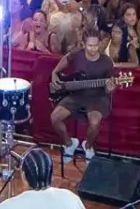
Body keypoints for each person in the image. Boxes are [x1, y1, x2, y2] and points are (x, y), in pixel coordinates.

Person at [49, 35, 118, 163]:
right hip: (77, 94)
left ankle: (88, 146)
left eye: (96, 45)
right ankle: (69, 144)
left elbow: (109, 88)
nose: (93, 49)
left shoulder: (107, 62)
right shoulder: (77, 54)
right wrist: (54, 72)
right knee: (54, 118)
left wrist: (110, 88)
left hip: (97, 97)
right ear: (84, 44)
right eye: (90, 46)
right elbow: (66, 58)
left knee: (94, 123)